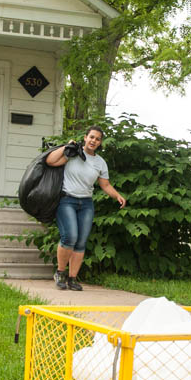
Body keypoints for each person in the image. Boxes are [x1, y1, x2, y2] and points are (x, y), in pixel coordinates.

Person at [45, 125, 126, 291]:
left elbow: (105, 184)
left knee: (81, 242)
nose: (94, 141)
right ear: (85, 137)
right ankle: (60, 273)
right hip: (67, 200)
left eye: (97, 139)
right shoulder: (74, 153)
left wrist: (117, 195)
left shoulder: (100, 162)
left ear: (100, 142)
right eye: (92, 137)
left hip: (86, 204)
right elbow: (50, 161)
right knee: (70, 237)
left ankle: (72, 278)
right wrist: (66, 147)